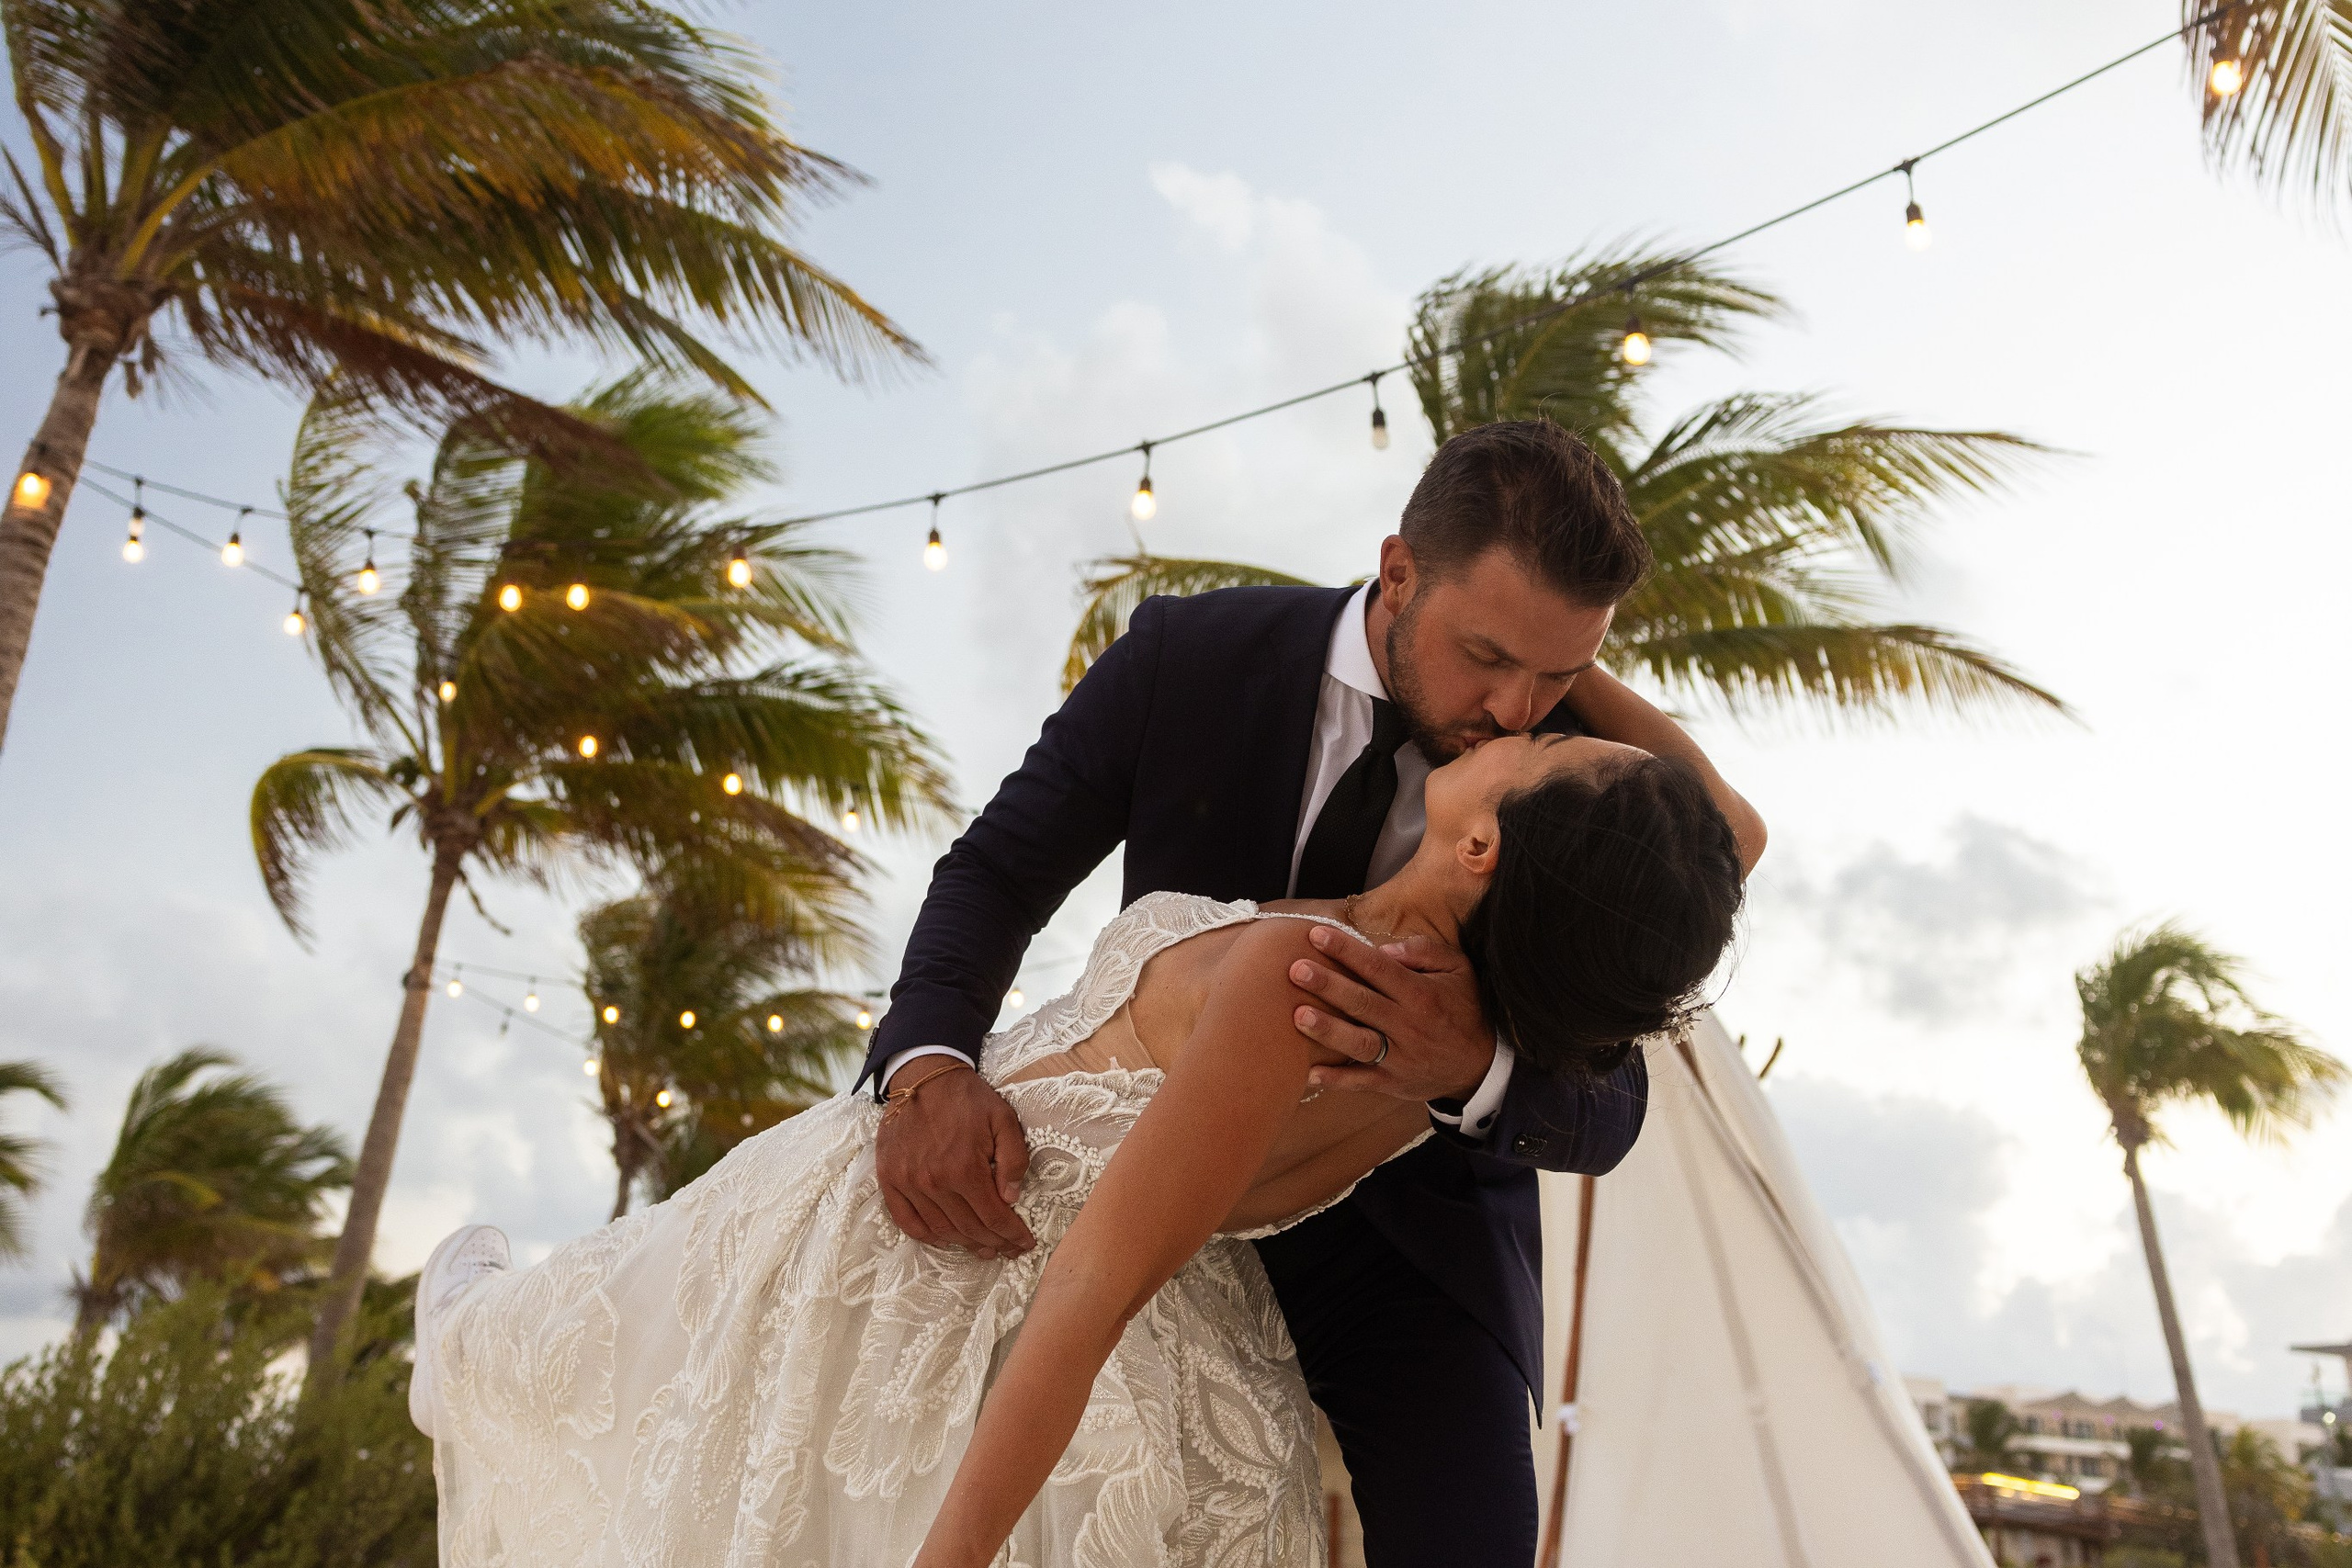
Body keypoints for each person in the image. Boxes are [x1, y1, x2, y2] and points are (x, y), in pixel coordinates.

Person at [411, 713, 1755, 1567]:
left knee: (553, 1377)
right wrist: (1584, 651)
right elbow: (1725, 838)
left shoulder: (1316, 976)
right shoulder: (1439, 1028)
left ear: (1479, 840)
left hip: (950, 1257)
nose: (1528, 716)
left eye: (1543, 750)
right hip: (1047, 1256)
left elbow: (1088, 1292)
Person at [865, 417, 1767, 1562]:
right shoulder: (1187, 658)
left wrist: (1470, 1067)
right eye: (1489, 656)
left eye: (1563, 672)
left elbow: (1620, 1078)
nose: (1516, 710)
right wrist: (928, 1067)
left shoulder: (1564, 772)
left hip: (1414, 1235)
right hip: (1103, 1172)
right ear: (1397, 573)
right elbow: (996, 872)